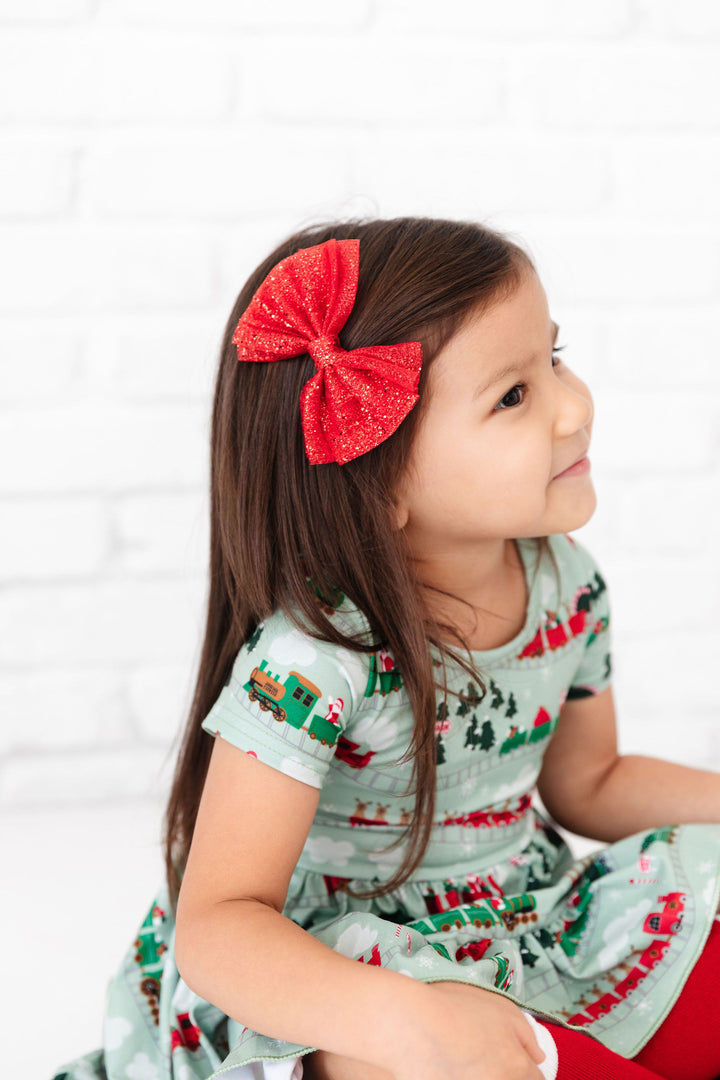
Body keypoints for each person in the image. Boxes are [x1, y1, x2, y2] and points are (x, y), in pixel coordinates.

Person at [53, 217, 720, 1080]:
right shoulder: (313, 661)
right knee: (421, 1058)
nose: (577, 405)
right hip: (339, 971)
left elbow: (588, 782)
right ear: (381, 483)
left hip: (527, 917)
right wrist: (401, 1018)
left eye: (554, 358)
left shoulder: (568, 585)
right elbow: (220, 922)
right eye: (514, 395)